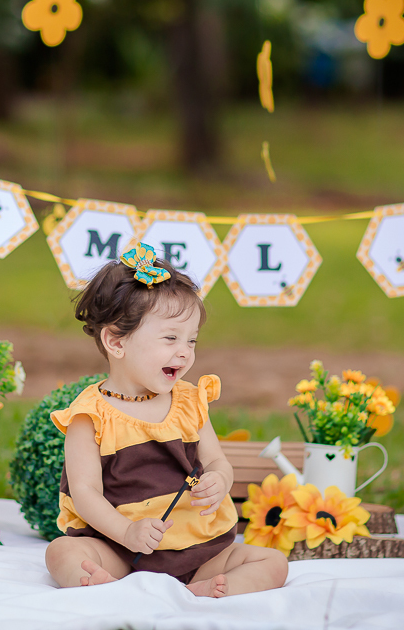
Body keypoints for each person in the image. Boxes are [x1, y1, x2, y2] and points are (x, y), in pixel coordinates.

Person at [44, 243, 289, 598]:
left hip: (197, 548)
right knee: (61, 553)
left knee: (273, 563)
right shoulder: (89, 415)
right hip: (121, 550)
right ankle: (112, 586)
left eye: (191, 340)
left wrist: (219, 479)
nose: (185, 352)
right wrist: (127, 533)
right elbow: (85, 494)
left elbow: (217, 460)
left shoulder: (189, 401)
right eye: (171, 338)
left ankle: (199, 590)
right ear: (115, 341)